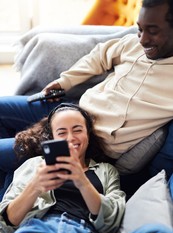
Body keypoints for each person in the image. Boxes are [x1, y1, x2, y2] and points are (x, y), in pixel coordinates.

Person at [1, 0, 173, 189]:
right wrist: (65, 81)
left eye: (153, 31)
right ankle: (12, 181)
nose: (142, 39)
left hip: (83, 143)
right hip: (73, 110)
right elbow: (100, 55)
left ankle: (15, 183)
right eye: (140, 29)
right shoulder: (133, 44)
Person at [0, 103, 172, 233]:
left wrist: (82, 181)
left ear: (88, 134)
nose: (70, 138)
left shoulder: (106, 170)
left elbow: (111, 223)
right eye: (61, 132)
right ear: (51, 137)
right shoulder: (35, 165)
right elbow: (7, 223)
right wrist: (35, 186)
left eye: (77, 130)